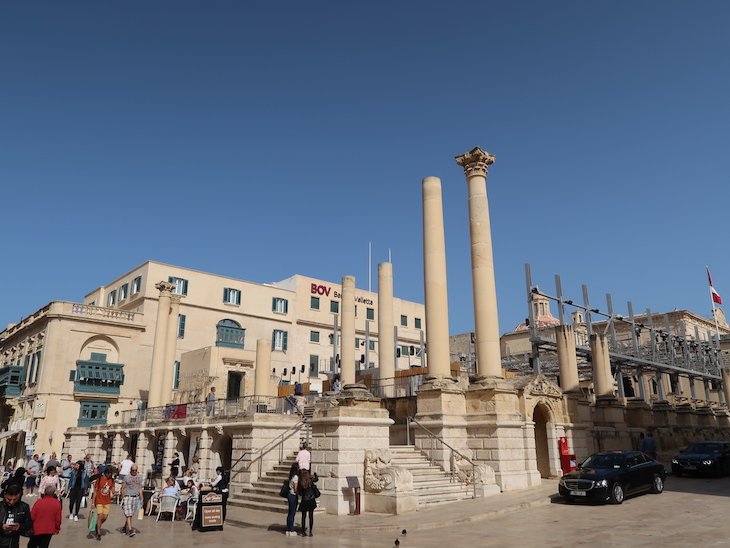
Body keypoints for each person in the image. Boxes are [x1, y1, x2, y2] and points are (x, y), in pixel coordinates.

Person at [0, 483, 32, 548]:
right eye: (9, 499)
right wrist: (1, 527)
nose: (11, 502)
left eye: (15, 499)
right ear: (5, 495)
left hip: (13, 543)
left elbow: (29, 526)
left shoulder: (24, 507)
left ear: (19, 496)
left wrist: (19, 527)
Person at [90, 467, 115, 541]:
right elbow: (95, 491)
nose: (110, 475)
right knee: (100, 516)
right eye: (109, 474)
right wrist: (92, 502)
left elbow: (112, 489)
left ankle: (98, 525)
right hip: (99, 500)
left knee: (105, 517)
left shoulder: (112, 480)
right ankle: (98, 533)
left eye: (111, 474)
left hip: (107, 501)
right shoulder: (99, 479)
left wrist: (114, 492)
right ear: (106, 473)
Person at [119, 465, 142, 537]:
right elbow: (122, 488)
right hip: (128, 496)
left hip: (136, 497)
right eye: (133, 470)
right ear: (130, 470)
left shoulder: (140, 477)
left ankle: (124, 528)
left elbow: (140, 487)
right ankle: (130, 530)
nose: (134, 471)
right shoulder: (126, 477)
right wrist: (123, 498)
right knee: (128, 514)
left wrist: (141, 498)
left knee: (131, 514)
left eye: (135, 470)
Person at [297, 469, 318, 537]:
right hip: (311, 500)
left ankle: (303, 532)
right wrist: (315, 474)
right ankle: (310, 531)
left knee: (303, 517)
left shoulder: (301, 483)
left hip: (304, 501)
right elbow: (316, 479)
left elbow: (300, 493)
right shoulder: (310, 481)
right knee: (311, 516)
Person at [284, 463, 299, 537]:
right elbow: (295, 488)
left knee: (289, 513)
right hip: (293, 495)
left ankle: (288, 529)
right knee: (292, 513)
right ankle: (291, 530)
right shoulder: (296, 477)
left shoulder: (291, 476)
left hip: (289, 495)